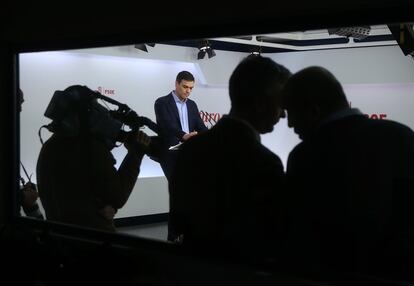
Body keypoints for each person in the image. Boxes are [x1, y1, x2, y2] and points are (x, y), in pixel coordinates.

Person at [282, 66, 414, 275]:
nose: (289, 124)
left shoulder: (305, 156)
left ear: (314, 111)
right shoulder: (402, 136)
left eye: (290, 113)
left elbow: (299, 233)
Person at [169, 56, 291, 258]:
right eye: (280, 104)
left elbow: (178, 222)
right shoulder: (264, 163)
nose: (283, 114)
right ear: (261, 103)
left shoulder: (191, 151)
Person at [36, 85, 151, 232]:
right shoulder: (91, 149)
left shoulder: (49, 146)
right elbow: (117, 196)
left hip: (60, 239)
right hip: (93, 243)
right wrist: (136, 153)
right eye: (94, 106)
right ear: (85, 113)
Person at [154, 71, 208, 182]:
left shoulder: (192, 105)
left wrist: (213, 136)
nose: (188, 91)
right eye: (185, 87)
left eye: (191, 88)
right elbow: (167, 126)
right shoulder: (161, 102)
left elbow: (201, 126)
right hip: (170, 154)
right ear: (176, 84)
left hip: (190, 153)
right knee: (178, 188)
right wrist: (184, 136)